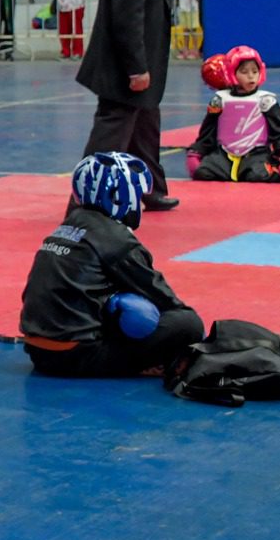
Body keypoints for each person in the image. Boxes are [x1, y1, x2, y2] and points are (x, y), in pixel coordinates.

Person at [20, 153, 204, 377]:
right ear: (120, 196)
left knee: (122, 306)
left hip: (38, 353)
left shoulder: (66, 227)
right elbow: (165, 300)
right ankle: (142, 366)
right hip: (77, 357)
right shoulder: (117, 239)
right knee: (187, 323)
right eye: (136, 194)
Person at [78, 0, 179, 210]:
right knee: (112, 132)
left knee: (146, 124)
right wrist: (136, 68)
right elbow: (127, 18)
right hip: (123, 67)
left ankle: (148, 187)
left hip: (139, 61)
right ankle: (85, 202)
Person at [186, 46, 280, 183]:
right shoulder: (220, 100)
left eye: (255, 71)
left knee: (256, 176)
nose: (251, 76)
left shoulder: (265, 100)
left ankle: (279, 160)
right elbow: (208, 131)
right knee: (203, 173)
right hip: (224, 154)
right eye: (244, 72)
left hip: (256, 153)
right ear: (232, 73)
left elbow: (279, 131)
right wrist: (195, 152)